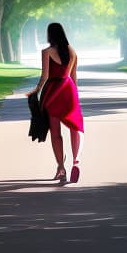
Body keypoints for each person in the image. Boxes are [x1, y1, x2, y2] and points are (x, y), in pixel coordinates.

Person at [28, 23, 84, 183]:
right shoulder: (72, 52)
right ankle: (76, 161)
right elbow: (74, 78)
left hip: (54, 92)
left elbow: (45, 76)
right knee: (75, 128)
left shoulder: (46, 52)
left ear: (50, 35)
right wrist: (76, 98)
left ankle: (61, 167)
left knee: (56, 133)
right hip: (69, 91)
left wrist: (36, 91)